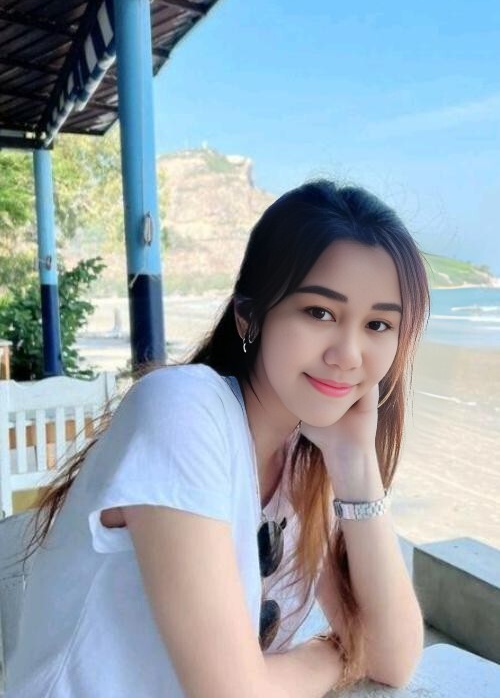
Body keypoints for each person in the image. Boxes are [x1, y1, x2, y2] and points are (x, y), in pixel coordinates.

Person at [6, 179, 430, 698]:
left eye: (379, 325)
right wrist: (331, 655)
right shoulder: (184, 410)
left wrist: (355, 460)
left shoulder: (305, 462)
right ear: (249, 314)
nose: (348, 354)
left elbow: (392, 659)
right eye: (319, 312)